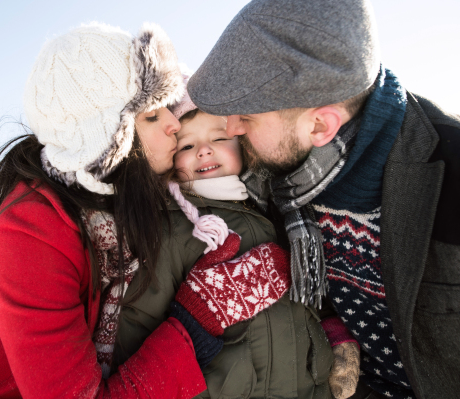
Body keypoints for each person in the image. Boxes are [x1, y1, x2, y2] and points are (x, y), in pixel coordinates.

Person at [0, 23, 278, 399]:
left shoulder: (112, 211)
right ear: (107, 138)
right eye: (152, 114)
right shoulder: (29, 231)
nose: (174, 123)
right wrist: (197, 317)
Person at [185, 0, 460, 398]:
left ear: (320, 125)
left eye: (247, 116)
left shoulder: (450, 176)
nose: (231, 128)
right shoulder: (272, 181)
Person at [114, 84, 360, 399]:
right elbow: (140, 324)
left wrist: (333, 334)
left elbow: (310, 294)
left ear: (242, 145)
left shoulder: (277, 208)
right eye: (187, 146)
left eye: (218, 138)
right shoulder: (170, 228)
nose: (204, 150)